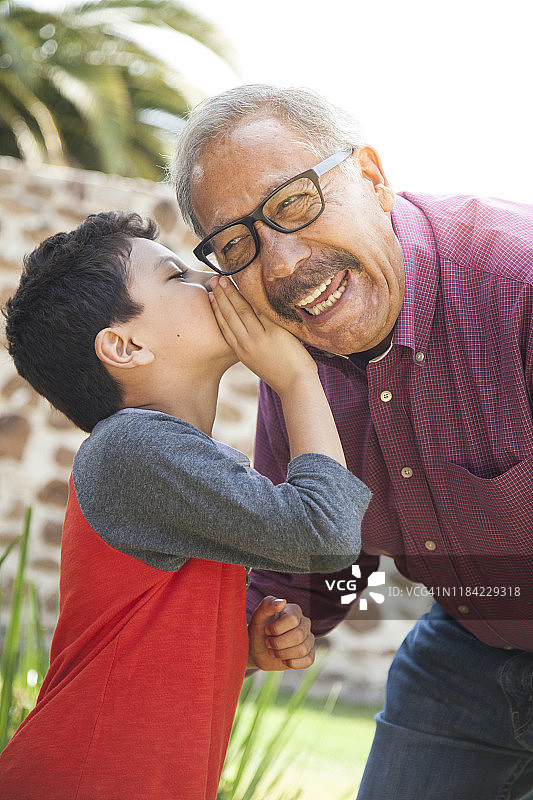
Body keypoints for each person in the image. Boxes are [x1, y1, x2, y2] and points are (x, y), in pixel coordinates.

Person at [171, 84, 533, 799]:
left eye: (293, 203)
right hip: (469, 646)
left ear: (371, 177)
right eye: (238, 244)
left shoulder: (515, 282)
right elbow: (319, 568)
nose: (281, 264)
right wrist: (277, 620)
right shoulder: (297, 369)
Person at [0, 211, 371, 800]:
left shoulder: (166, 455)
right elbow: (324, 534)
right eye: (177, 276)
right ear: (125, 346)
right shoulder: (133, 445)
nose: (213, 281)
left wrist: (239, 648)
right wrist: (298, 379)